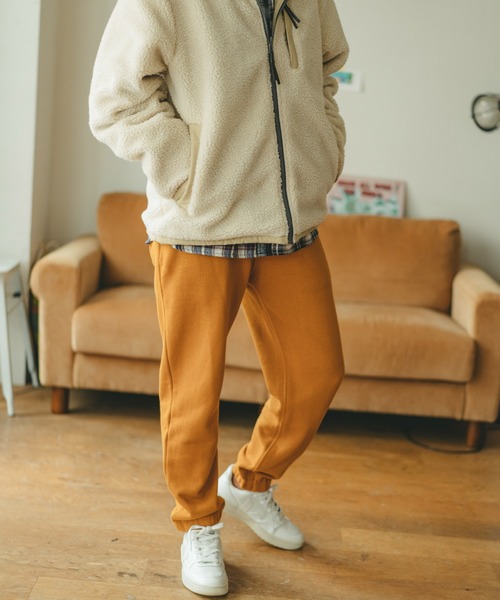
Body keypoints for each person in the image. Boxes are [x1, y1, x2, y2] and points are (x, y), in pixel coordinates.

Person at [89, 0, 348, 596]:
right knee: (193, 393)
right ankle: (199, 522)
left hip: (289, 223)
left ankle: (250, 483)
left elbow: (325, 70)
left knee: (317, 375)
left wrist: (323, 150)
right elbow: (115, 100)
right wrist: (187, 170)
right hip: (198, 226)